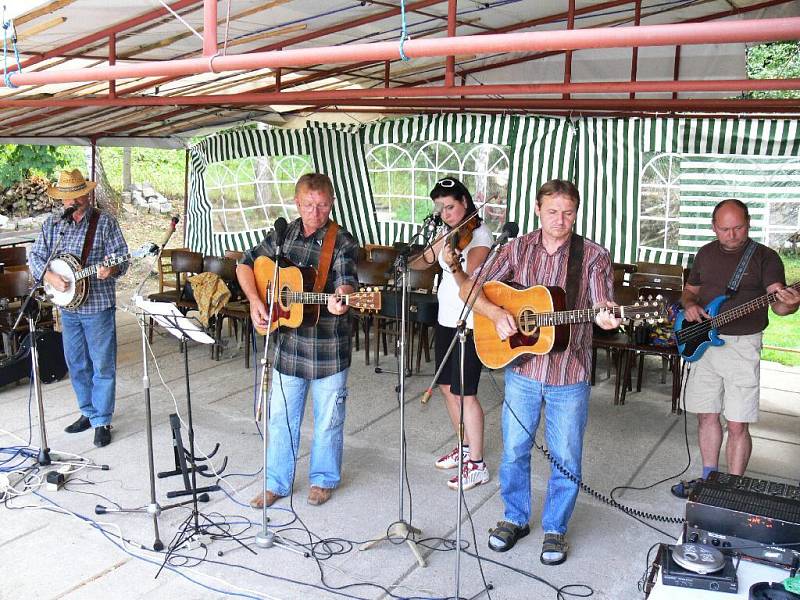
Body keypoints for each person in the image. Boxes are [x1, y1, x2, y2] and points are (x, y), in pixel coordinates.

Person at [460, 179, 620, 566]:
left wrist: (607, 313)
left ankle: (555, 528)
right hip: (523, 369)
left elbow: (602, 298)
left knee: (566, 456)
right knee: (514, 450)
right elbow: (473, 288)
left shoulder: (593, 255)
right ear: (537, 209)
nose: (560, 220)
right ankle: (515, 518)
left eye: (568, 212)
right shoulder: (516, 247)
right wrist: (497, 313)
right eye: (552, 212)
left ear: (577, 212)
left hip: (570, 371)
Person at [237, 173, 359, 508]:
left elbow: (346, 282)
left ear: (332, 203)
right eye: (309, 205)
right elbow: (245, 266)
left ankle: (323, 479)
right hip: (286, 348)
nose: (315, 213)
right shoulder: (282, 235)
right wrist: (255, 301)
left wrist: (342, 297)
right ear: (297, 202)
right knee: (281, 420)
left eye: (322, 206)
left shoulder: (342, 241)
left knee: (328, 421)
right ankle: (276, 482)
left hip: (327, 351)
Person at [671, 199, 799, 498]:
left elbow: (778, 305)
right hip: (703, 342)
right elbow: (690, 291)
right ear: (714, 227)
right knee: (706, 414)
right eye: (725, 229)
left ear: (749, 223)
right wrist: (689, 307)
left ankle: (734, 489)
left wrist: (790, 303)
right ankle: (709, 479)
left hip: (743, 346)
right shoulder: (705, 253)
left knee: (738, 422)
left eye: (738, 227)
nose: (732, 234)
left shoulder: (765, 258)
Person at [29, 169, 129, 448]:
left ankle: (102, 420)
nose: (72, 201)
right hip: (68, 307)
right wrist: (50, 277)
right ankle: (87, 411)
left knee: (102, 363)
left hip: (97, 305)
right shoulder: (53, 225)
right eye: (67, 197)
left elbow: (122, 258)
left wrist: (112, 268)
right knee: (76, 363)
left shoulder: (104, 222)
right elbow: (35, 256)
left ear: (87, 193)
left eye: (77, 195)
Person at [410, 178, 493, 491]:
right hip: (446, 319)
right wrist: (427, 250)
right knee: (446, 387)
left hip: (470, 323)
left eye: (450, 206)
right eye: (440, 207)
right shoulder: (448, 233)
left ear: (465, 202)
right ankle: (465, 446)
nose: (445, 212)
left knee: (465, 392)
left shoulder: (480, 234)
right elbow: (421, 263)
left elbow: (469, 281)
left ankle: (478, 463)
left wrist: (452, 260)